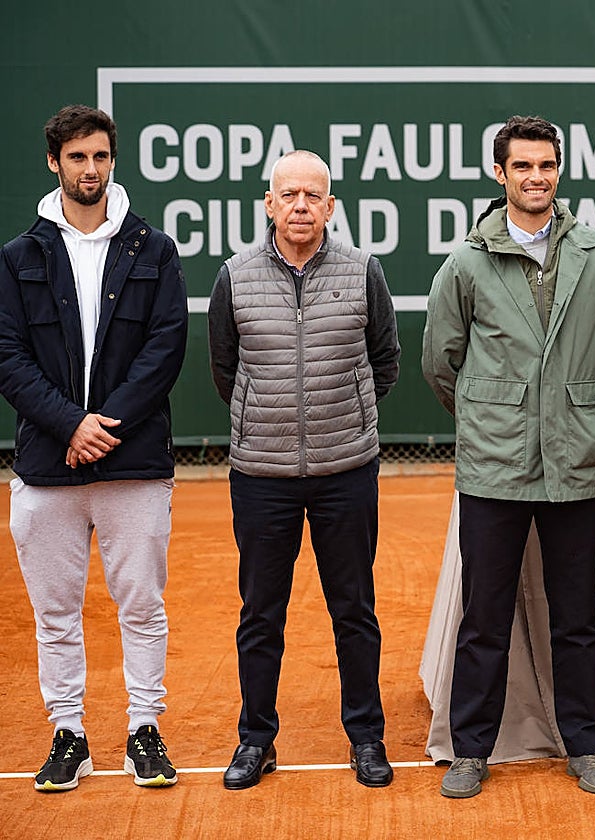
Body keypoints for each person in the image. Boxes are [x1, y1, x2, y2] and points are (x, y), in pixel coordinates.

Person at [422, 115, 595, 799]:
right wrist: (499, 418)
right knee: (484, 617)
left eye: (546, 166)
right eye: (522, 167)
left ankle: (587, 745)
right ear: (500, 174)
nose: (535, 178)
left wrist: (564, 415)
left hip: (579, 464)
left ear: (558, 171)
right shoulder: (466, 262)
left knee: (577, 616)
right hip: (495, 467)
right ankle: (470, 749)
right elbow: (440, 362)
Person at [0, 105, 188, 791]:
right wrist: (67, 425)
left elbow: (166, 347)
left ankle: (145, 726)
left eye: (100, 156)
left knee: (141, 604)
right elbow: (8, 355)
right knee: (56, 612)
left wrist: (102, 423)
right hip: (48, 466)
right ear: (55, 162)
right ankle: (69, 733)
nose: (90, 169)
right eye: (77, 157)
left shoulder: (154, 249)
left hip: (132, 463)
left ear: (113, 161)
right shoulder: (18, 258)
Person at [208, 149, 401, 790]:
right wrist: (264, 423)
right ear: (269, 203)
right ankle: (255, 740)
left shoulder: (362, 272)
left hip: (346, 471)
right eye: (287, 194)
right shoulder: (234, 276)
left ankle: (367, 739)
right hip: (260, 476)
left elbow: (385, 361)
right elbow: (224, 368)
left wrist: (343, 417)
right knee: (261, 613)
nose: (299, 206)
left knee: (354, 610)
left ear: (330, 206)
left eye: (311, 196)